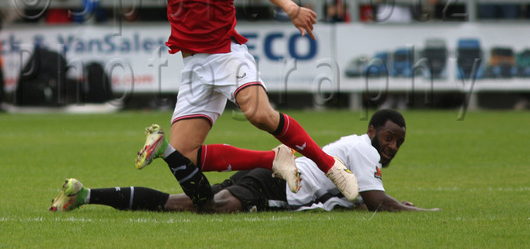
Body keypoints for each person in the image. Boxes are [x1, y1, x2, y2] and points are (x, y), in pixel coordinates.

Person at [111, 0, 359, 210]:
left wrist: (291, 7)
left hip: (227, 56)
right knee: (184, 156)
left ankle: (329, 165)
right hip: (194, 67)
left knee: (258, 114)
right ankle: (273, 159)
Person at [50, 109, 440, 213]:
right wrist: (419, 210)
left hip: (273, 172)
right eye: (389, 138)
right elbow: (375, 202)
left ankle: (84, 196)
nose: (391, 147)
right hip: (282, 186)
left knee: (182, 204)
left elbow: (371, 197)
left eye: (398, 143)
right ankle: (168, 151)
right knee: (212, 210)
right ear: (373, 131)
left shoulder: (356, 147)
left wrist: (396, 201)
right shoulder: (366, 149)